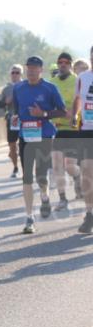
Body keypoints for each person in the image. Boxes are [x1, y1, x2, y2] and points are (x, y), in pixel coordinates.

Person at [14, 56, 67, 233]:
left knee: (41, 174)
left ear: (41, 70)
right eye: (29, 68)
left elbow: (63, 111)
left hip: (44, 134)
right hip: (26, 136)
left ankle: (44, 195)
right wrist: (15, 117)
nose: (31, 71)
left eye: (35, 68)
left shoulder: (50, 88)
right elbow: (16, 109)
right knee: (27, 176)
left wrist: (43, 113)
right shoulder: (18, 88)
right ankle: (29, 217)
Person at [49, 51, 82, 211]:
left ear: (70, 65)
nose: (63, 65)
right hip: (58, 128)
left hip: (74, 128)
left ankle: (77, 177)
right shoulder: (52, 82)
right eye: (60, 62)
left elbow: (81, 102)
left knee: (69, 166)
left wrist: (73, 113)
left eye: (66, 62)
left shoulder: (77, 81)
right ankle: (63, 199)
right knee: (56, 164)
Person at [72, 47, 93, 233]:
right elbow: (77, 99)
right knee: (87, 172)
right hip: (87, 129)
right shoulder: (82, 78)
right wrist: (74, 114)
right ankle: (89, 214)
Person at [0, 65, 23, 178]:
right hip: (13, 119)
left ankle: (26, 167)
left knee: (25, 145)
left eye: (17, 72)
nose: (14, 75)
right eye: (13, 73)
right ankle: (15, 167)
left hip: (25, 119)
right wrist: (6, 102)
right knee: (12, 145)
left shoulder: (26, 86)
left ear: (21, 74)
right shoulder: (6, 89)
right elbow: (0, 104)